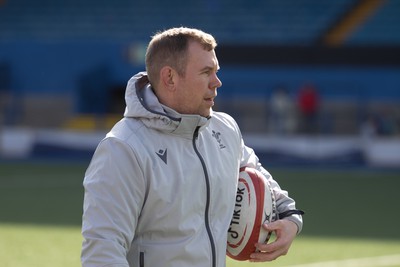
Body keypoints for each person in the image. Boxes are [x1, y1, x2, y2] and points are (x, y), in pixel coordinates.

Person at [81, 27, 303, 267]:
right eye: (206, 72)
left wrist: (290, 218)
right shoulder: (123, 148)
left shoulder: (225, 129)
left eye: (216, 71)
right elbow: (103, 252)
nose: (217, 82)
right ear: (170, 78)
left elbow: (259, 178)